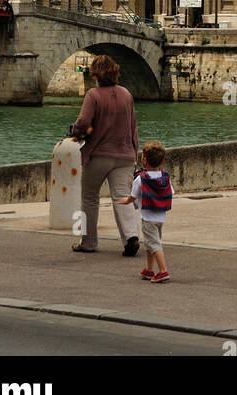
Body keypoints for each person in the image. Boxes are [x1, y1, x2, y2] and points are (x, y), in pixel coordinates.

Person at [68, 53, 141, 257]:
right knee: (122, 197)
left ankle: (88, 241)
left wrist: (74, 131)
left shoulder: (94, 95)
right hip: (125, 154)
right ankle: (131, 236)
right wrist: (134, 152)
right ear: (115, 72)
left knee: (89, 198)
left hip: (99, 154)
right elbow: (133, 126)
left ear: (95, 74)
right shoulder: (126, 94)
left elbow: (83, 123)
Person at [120, 140, 173, 283]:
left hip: (148, 217)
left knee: (154, 245)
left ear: (144, 159)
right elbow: (171, 192)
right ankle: (149, 269)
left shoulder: (141, 179)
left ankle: (163, 271)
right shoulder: (165, 177)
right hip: (161, 216)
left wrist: (126, 201)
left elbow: (133, 195)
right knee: (151, 243)